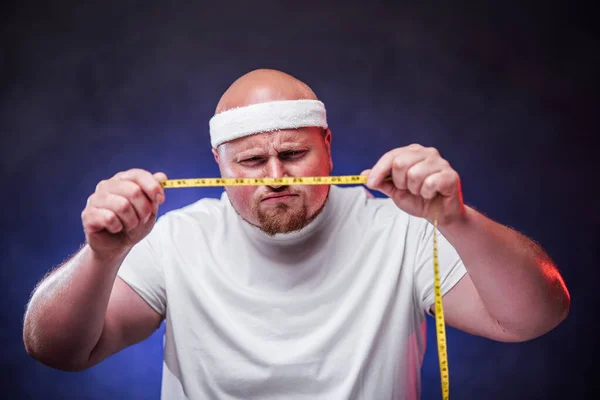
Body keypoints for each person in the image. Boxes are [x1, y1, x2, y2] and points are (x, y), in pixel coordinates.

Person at [23, 69, 570, 399]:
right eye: (251, 161)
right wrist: (100, 256)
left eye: (293, 153)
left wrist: (458, 219)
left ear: (328, 144)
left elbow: (536, 316)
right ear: (216, 162)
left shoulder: (402, 233)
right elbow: (56, 350)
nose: (276, 177)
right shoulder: (175, 240)